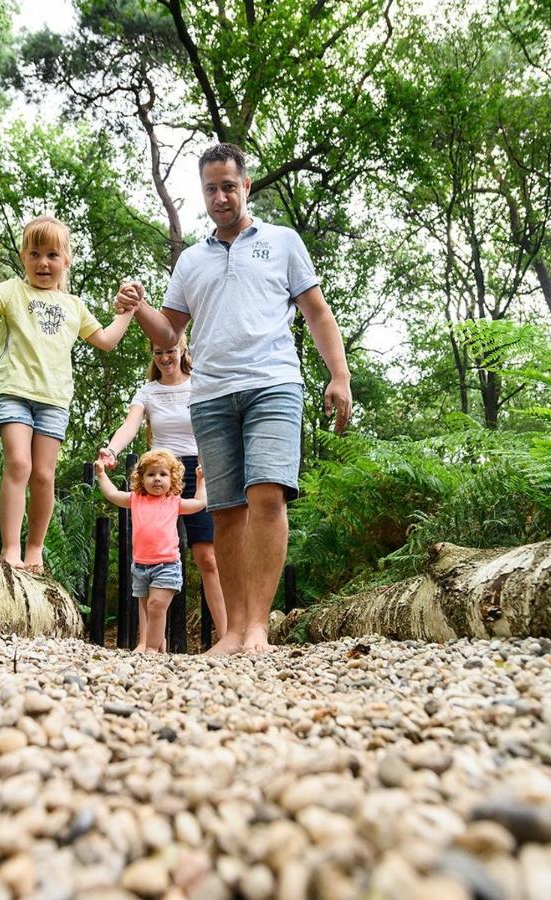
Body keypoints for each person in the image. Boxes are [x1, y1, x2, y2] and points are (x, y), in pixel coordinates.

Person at [117, 143, 352, 655]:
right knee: (225, 511)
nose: (220, 196)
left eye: (229, 185)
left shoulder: (283, 242)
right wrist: (138, 311)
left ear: (246, 187)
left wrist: (340, 375)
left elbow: (318, 313)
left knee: (266, 495)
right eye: (210, 188)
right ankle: (233, 631)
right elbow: (169, 335)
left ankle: (258, 629)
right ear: (202, 194)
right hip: (212, 395)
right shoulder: (191, 260)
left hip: (274, 384)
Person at [0, 215, 137, 573]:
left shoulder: (74, 306)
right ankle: (10, 548)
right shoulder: (12, 292)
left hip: (54, 400)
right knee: (18, 464)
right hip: (14, 392)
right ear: (24, 257)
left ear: (66, 260)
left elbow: (105, 341)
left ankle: (34, 549)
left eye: (52, 254)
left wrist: (127, 313)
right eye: (35, 253)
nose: (43, 262)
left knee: (43, 475)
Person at [96, 333, 227, 646]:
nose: (165, 358)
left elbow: (217, 423)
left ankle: (227, 636)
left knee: (207, 557)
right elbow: (131, 425)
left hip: (197, 470)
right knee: (149, 558)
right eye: (158, 352)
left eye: (170, 350)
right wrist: (111, 450)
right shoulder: (148, 391)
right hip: (159, 471)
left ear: (182, 349)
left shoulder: (200, 383)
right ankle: (147, 644)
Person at [94, 449, 207, 652]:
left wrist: (201, 482)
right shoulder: (136, 499)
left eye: (163, 474)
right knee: (146, 609)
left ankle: (151, 649)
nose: (157, 479)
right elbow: (112, 494)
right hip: (140, 565)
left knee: (156, 605)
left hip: (167, 564)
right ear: (141, 478)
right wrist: (102, 475)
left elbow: (199, 503)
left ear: (172, 479)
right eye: (151, 474)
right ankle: (156, 642)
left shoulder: (174, 502)